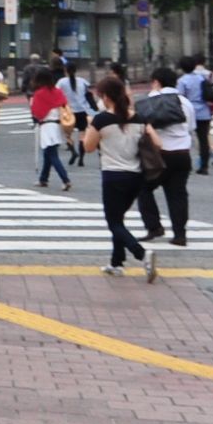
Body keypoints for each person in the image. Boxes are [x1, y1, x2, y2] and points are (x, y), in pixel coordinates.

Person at [82, 75, 156, 280]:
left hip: (113, 175)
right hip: (136, 176)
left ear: (105, 97)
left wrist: (91, 128)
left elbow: (88, 147)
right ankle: (116, 262)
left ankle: (141, 254)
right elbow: (157, 143)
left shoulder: (101, 119)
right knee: (118, 220)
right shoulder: (139, 118)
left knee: (113, 221)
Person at [136, 67, 194, 245]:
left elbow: (141, 126)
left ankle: (154, 226)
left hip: (159, 155)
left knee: (142, 188)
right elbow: (191, 127)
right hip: (182, 154)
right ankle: (180, 235)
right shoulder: (184, 102)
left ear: (156, 82)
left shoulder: (151, 100)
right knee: (177, 195)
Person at [27, 68, 71, 189]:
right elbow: (64, 105)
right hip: (58, 124)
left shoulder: (39, 93)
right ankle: (43, 179)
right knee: (48, 153)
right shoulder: (57, 91)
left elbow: (37, 113)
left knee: (52, 155)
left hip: (46, 126)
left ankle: (65, 179)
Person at [177, 55, 213, 175]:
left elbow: (180, 97)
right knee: (203, 139)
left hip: (188, 113)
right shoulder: (201, 78)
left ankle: (186, 165)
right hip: (204, 112)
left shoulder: (182, 81)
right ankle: (204, 166)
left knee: (186, 138)